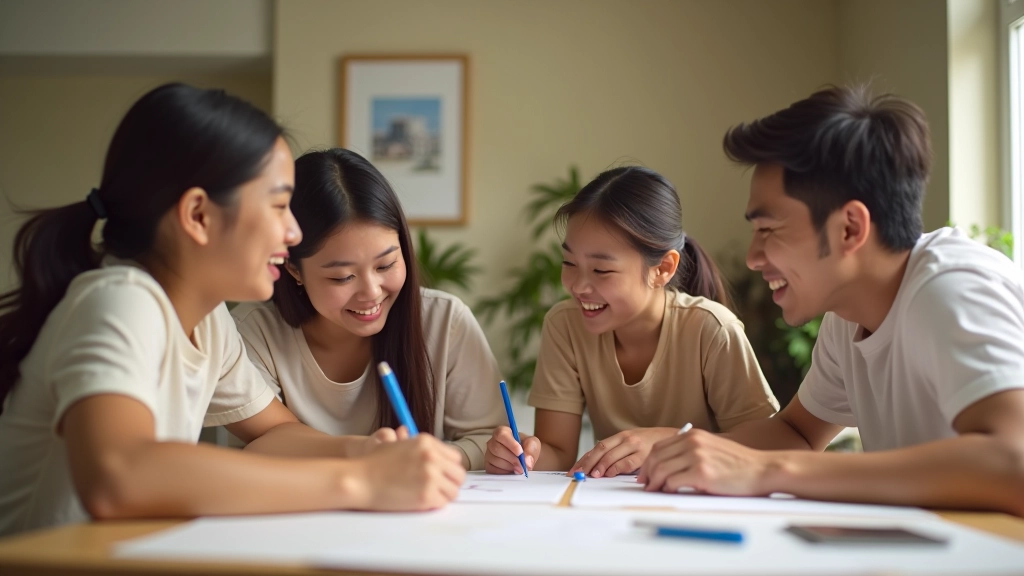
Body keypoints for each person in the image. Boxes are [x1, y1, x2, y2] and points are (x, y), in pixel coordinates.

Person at [0, 84, 465, 537]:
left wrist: (363, 453)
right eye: (279, 205)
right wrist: (362, 483)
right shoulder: (121, 301)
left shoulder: (208, 319)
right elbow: (119, 475)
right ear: (199, 215)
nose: (294, 232)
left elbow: (278, 431)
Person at [640, 85, 1024, 516]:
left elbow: (1015, 462)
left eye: (767, 230)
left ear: (849, 229)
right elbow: (798, 432)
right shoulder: (849, 311)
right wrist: (670, 447)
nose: (752, 258)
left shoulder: (953, 288)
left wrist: (771, 471)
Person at [485, 166, 779, 477]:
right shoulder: (564, 325)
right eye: (569, 263)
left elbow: (766, 448)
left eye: (601, 270)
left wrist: (672, 441)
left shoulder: (713, 329)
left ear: (663, 269)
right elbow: (558, 453)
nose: (578, 286)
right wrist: (523, 455)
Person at [232, 148, 504, 470]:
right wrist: (369, 454)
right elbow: (263, 443)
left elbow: (486, 439)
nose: (371, 292)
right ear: (293, 269)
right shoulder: (253, 333)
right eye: (342, 276)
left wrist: (428, 460)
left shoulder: (446, 321)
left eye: (386, 264)